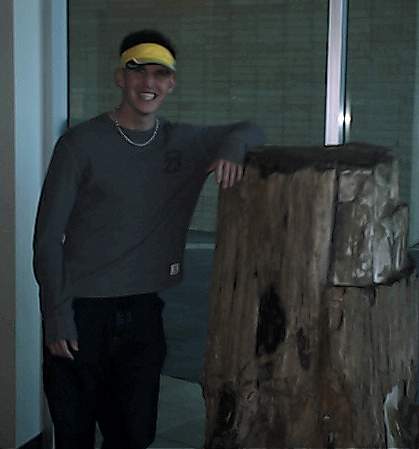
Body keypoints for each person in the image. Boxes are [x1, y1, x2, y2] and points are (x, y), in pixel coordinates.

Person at [33, 29, 264, 449]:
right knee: (74, 434)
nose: (148, 82)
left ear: (171, 83)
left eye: (160, 73)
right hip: (81, 310)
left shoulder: (184, 142)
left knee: (134, 436)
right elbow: (48, 238)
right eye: (138, 71)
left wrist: (233, 148)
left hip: (142, 313)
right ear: (120, 77)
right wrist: (56, 316)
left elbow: (251, 128)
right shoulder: (79, 144)